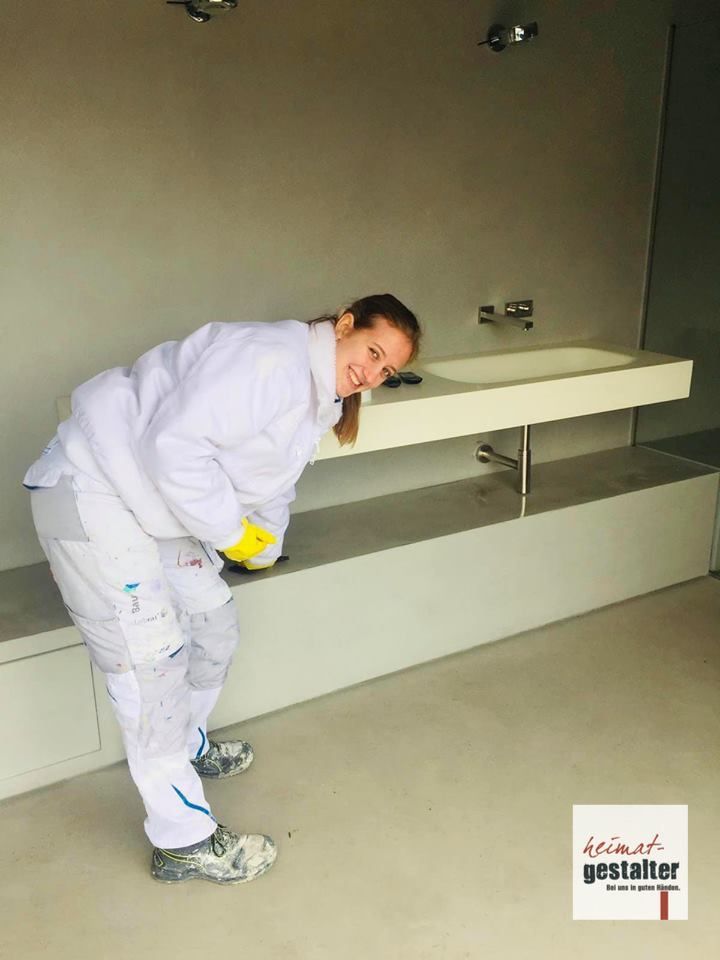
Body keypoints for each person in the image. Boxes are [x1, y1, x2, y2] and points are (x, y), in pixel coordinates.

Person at [23, 293, 421, 886]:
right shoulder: (271, 359)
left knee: (213, 623)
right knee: (151, 668)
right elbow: (173, 447)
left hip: (152, 504)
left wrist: (266, 543)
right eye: (372, 352)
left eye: (387, 370)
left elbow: (273, 481)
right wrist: (231, 534)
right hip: (94, 489)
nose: (373, 373)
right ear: (344, 326)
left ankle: (184, 743)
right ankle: (182, 840)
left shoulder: (318, 395)